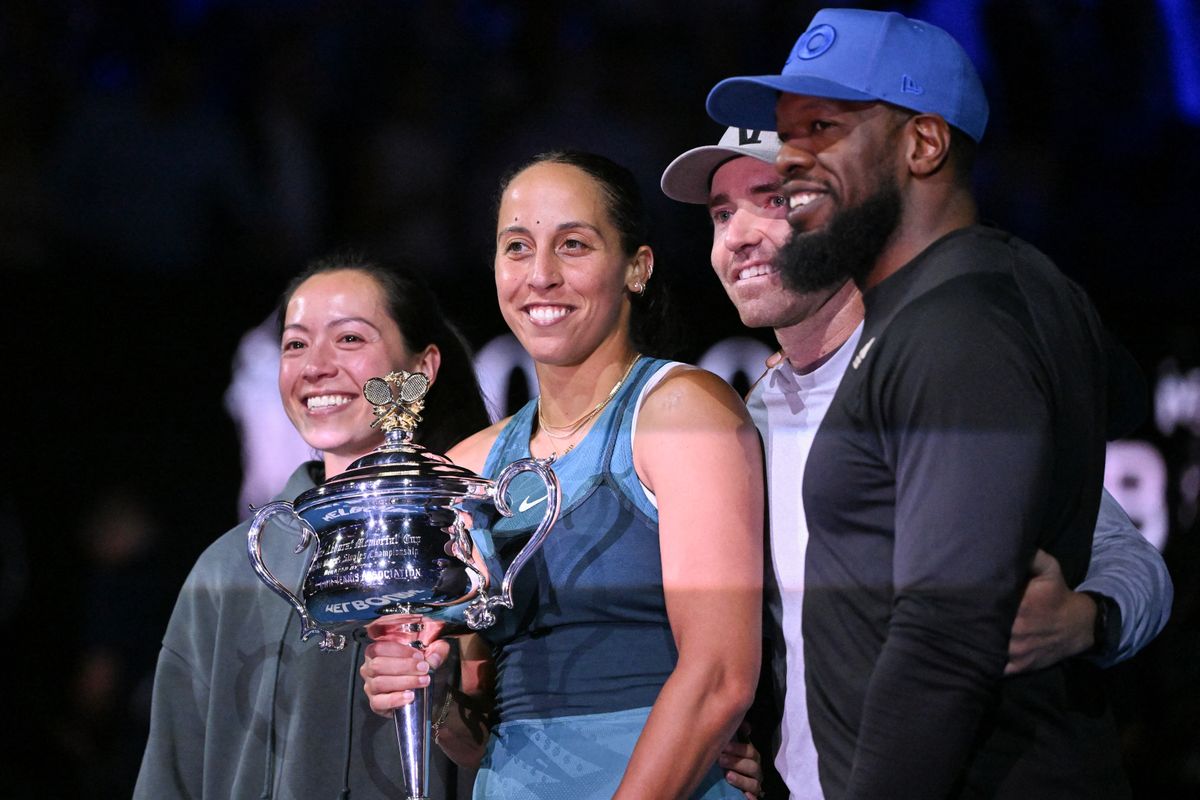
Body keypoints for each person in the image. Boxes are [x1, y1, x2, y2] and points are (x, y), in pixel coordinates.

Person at [704, 8, 1147, 798]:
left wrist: (1095, 615)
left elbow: (943, 639)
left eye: (822, 127)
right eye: (786, 132)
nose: (793, 160)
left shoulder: (961, 324)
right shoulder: (973, 301)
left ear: (923, 144)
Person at [360, 150, 765, 799]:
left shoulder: (683, 413)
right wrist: (419, 689)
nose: (540, 275)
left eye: (573, 245)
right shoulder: (469, 466)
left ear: (637, 267)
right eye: (517, 247)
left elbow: (719, 676)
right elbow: (473, 731)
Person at [133, 254, 490, 799]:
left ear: (422, 368)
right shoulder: (229, 571)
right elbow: (170, 775)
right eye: (295, 344)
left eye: (348, 339)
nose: (315, 365)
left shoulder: (474, 547)